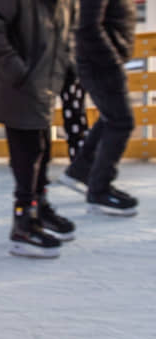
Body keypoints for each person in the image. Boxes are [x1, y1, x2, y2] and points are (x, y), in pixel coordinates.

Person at [0, 0, 77, 258]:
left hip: (45, 85)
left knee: (43, 150)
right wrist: (19, 72)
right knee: (28, 154)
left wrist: (68, 70)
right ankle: (23, 222)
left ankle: (39, 208)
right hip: (19, 89)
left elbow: (67, 34)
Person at [57, 0, 139, 216]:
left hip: (102, 62)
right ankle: (100, 191)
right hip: (101, 64)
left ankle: (80, 171)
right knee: (121, 122)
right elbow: (87, 27)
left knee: (110, 118)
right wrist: (111, 61)